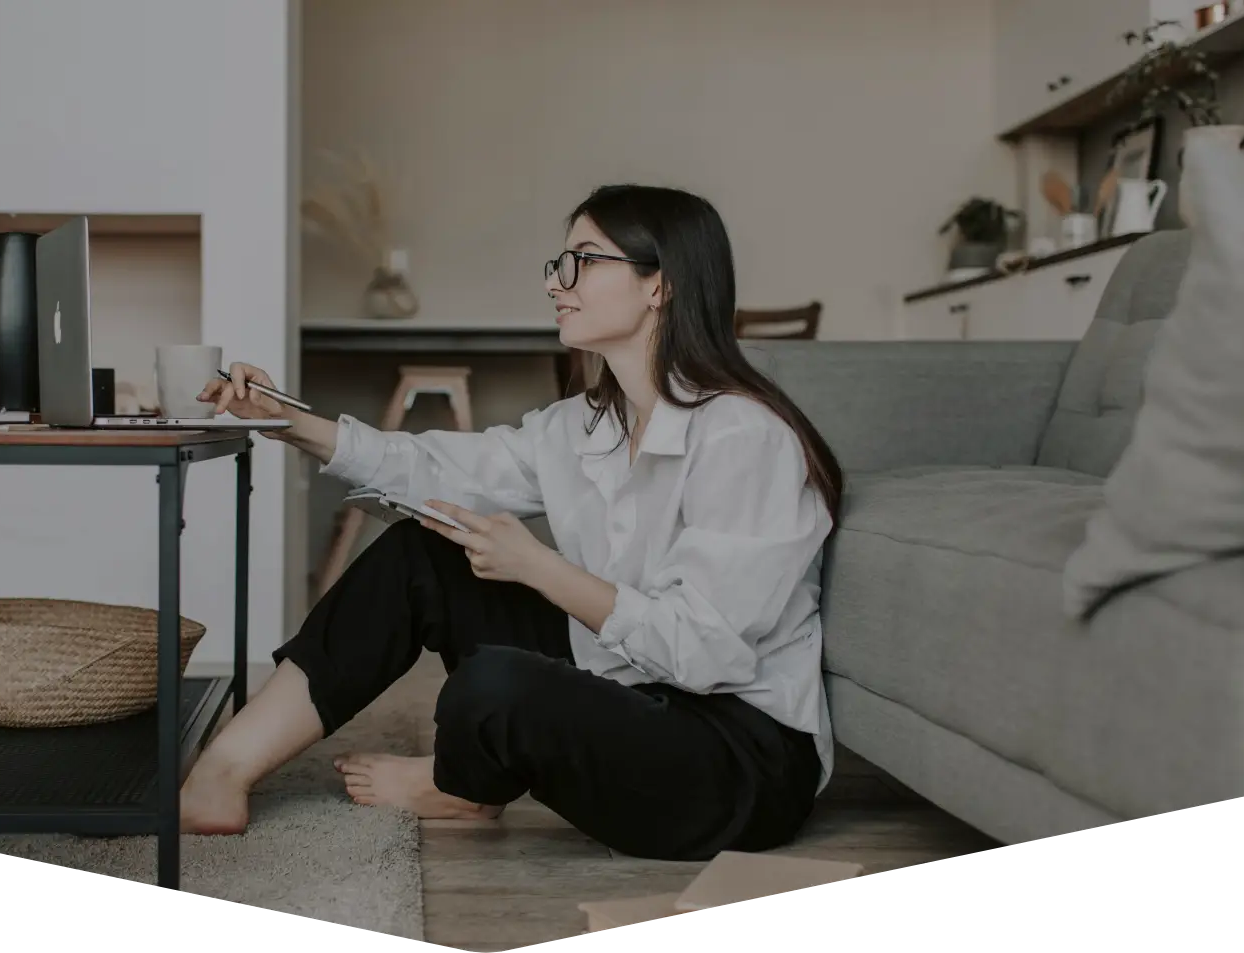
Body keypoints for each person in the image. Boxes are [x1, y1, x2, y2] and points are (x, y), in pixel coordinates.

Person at [178, 183, 845, 862]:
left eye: (584, 260)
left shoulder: (743, 438)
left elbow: (705, 653)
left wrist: (540, 567)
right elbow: (430, 468)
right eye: (559, 263)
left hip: (738, 756)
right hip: (633, 688)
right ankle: (225, 767)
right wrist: (284, 422)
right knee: (423, 552)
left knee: (492, 688)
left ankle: (460, 783)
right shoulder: (585, 424)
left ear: (659, 285)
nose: (559, 282)